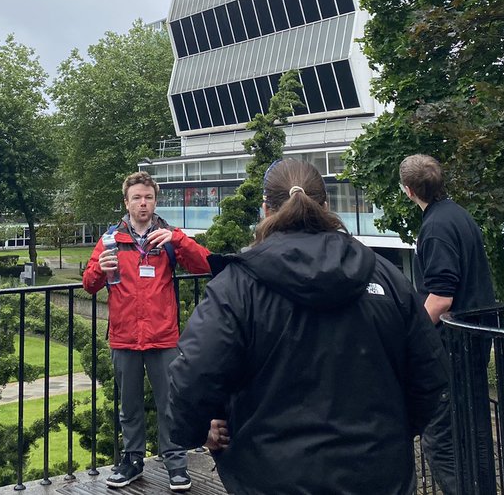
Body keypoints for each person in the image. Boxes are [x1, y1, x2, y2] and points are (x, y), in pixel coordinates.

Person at [168, 159, 448, 495]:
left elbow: (192, 376)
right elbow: (430, 376)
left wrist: (197, 432)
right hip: (378, 473)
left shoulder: (236, 286)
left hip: (269, 475)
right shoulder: (387, 277)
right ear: (327, 206)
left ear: (265, 210)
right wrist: (392, 433)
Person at [82, 171, 211, 492]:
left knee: (171, 403)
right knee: (130, 406)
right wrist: (101, 268)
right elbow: (89, 284)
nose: (143, 203)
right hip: (124, 337)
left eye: (148, 197)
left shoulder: (168, 236)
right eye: (137, 197)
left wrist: (179, 240)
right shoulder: (111, 239)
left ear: (156, 201)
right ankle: (132, 460)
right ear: (126, 202)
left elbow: (206, 265)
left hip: (164, 337)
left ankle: (176, 464)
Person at [401, 153, 498, 495]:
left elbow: (441, 297)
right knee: (474, 432)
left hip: (452, 350)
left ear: (409, 190)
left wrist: (409, 336)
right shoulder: (458, 215)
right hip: (472, 344)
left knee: (438, 439)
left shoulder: (436, 227)